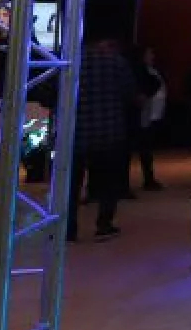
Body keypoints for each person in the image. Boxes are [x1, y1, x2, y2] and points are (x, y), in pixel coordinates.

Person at [68, 37, 135, 242]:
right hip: (110, 132)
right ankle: (104, 225)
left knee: (71, 185)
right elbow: (129, 92)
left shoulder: (70, 61)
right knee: (109, 182)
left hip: (76, 132)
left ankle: (69, 228)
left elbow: (51, 92)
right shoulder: (116, 62)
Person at [134, 46, 167, 191]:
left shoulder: (153, 71)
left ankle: (149, 177)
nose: (152, 56)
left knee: (148, 147)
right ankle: (148, 178)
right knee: (145, 148)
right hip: (145, 115)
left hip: (154, 114)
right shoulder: (141, 72)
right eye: (149, 54)